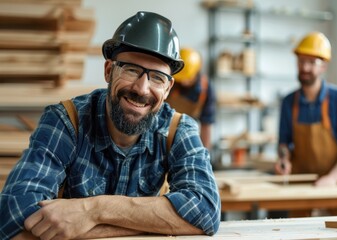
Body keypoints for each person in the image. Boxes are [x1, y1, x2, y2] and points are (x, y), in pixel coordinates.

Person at [0, 11, 220, 240]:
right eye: (132, 69)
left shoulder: (178, 131)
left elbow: (206, 211)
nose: (142, 89)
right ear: (108, 71)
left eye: (157, 77)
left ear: (167, 88)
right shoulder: (65, 122)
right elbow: (13, 214)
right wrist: (155, 222)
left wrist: (93, 211)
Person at [274, 31, 337, 217]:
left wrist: (333, 177)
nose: (305, 67)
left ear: (324, 66)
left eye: (312, 62)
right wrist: (283, 160)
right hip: (303, 179)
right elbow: (284, 143)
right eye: (301, 61)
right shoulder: (289, 102)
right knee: (297, 231)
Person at [166, 47, 216, 150]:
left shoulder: (205, 88)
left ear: (196, 72)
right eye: (181, 78)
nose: (184, 82)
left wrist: (204, 152)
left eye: (188, 78)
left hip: (188, 138)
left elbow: (206, 124)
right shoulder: (171, 81)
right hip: (163, 134)